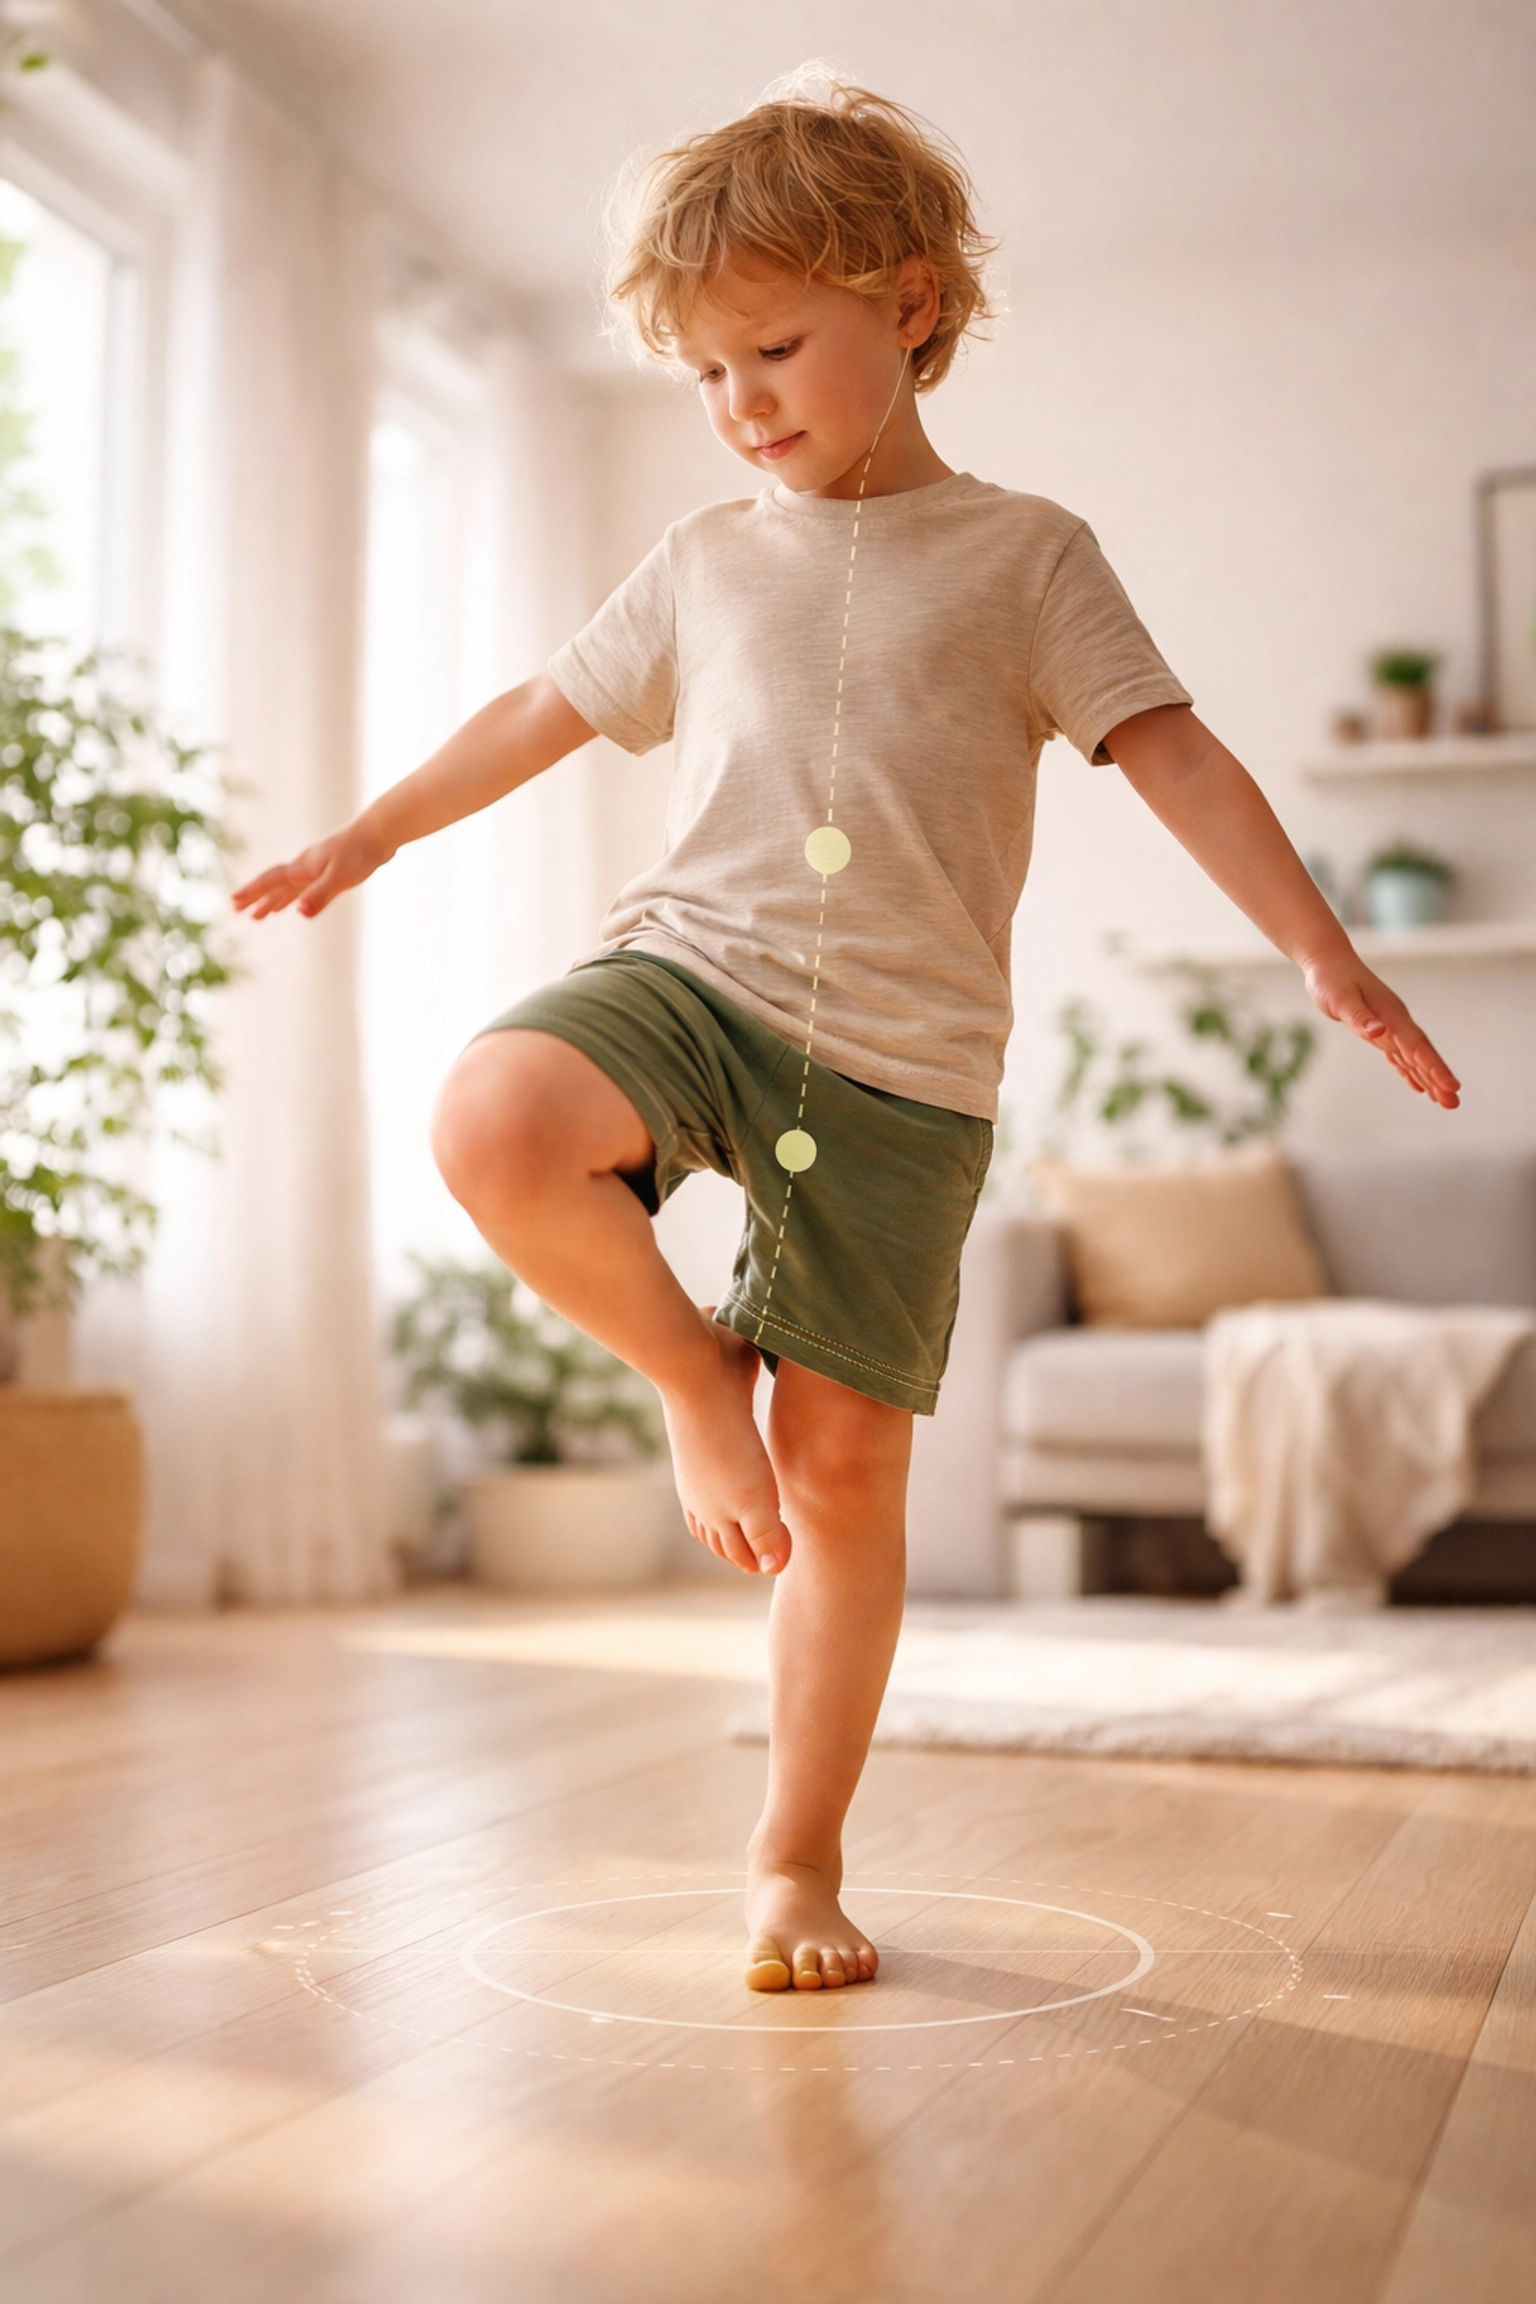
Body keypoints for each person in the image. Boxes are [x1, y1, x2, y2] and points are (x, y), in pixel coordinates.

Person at [234, 76, 1459, 1997]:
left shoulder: (1032, 557)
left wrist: (1321, 946)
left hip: (902, 1071)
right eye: (707, 372)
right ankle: (688, 1383)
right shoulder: (704, 561)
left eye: (776, 348)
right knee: (496, 1111)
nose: (744, 403)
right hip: (696, 984)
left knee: (848, 1479)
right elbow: (536, 713)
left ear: (910, 305)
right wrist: (373, 827)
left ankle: (794, 1860)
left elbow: (1176, 754)